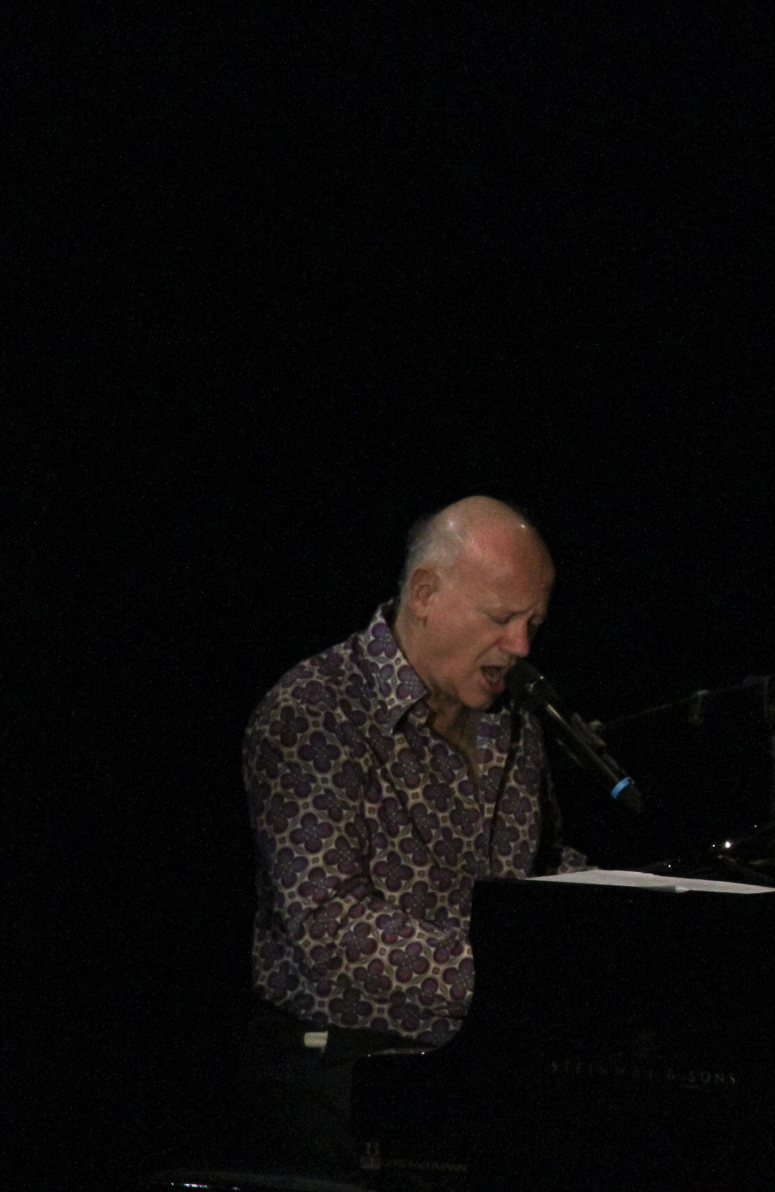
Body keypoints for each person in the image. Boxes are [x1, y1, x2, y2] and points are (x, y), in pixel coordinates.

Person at [240, 495, 586, 1173]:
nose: (521, 647)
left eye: (533, 624)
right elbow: (327, 925)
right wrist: (510, 976)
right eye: (501, 619)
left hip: (483, 1060)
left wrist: (617, 911)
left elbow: (537, 864)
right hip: (342, 1068)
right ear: (425, 593)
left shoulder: (512, 721)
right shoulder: (315, 711)